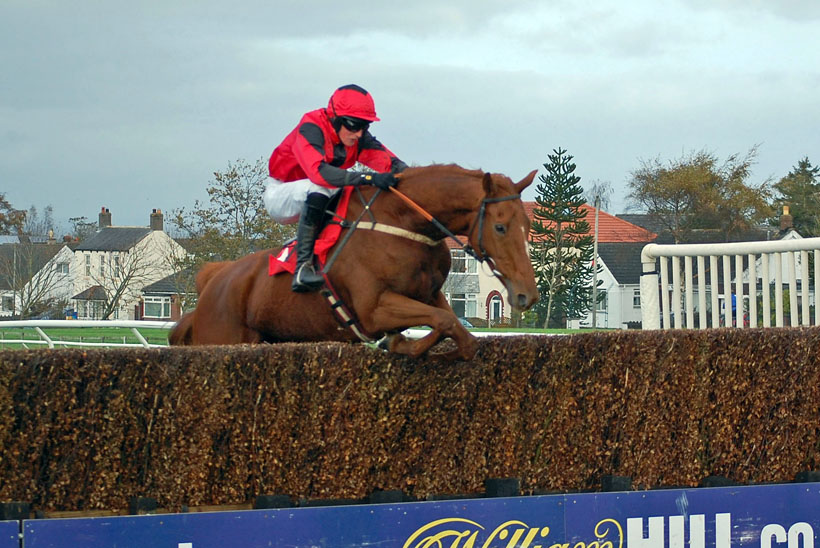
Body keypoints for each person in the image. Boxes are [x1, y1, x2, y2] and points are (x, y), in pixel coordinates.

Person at [265, 84, 408, 292]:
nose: (359, 133)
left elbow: (393, 164)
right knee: (322, 186)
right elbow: (319, 173)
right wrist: (369, 177)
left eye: (365, 126)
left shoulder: (356, 136)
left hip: (316, 193)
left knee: (356, 195)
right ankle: (302, 268)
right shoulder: (311, 127)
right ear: (335, 119)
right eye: (353, 125)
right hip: (281, 193)